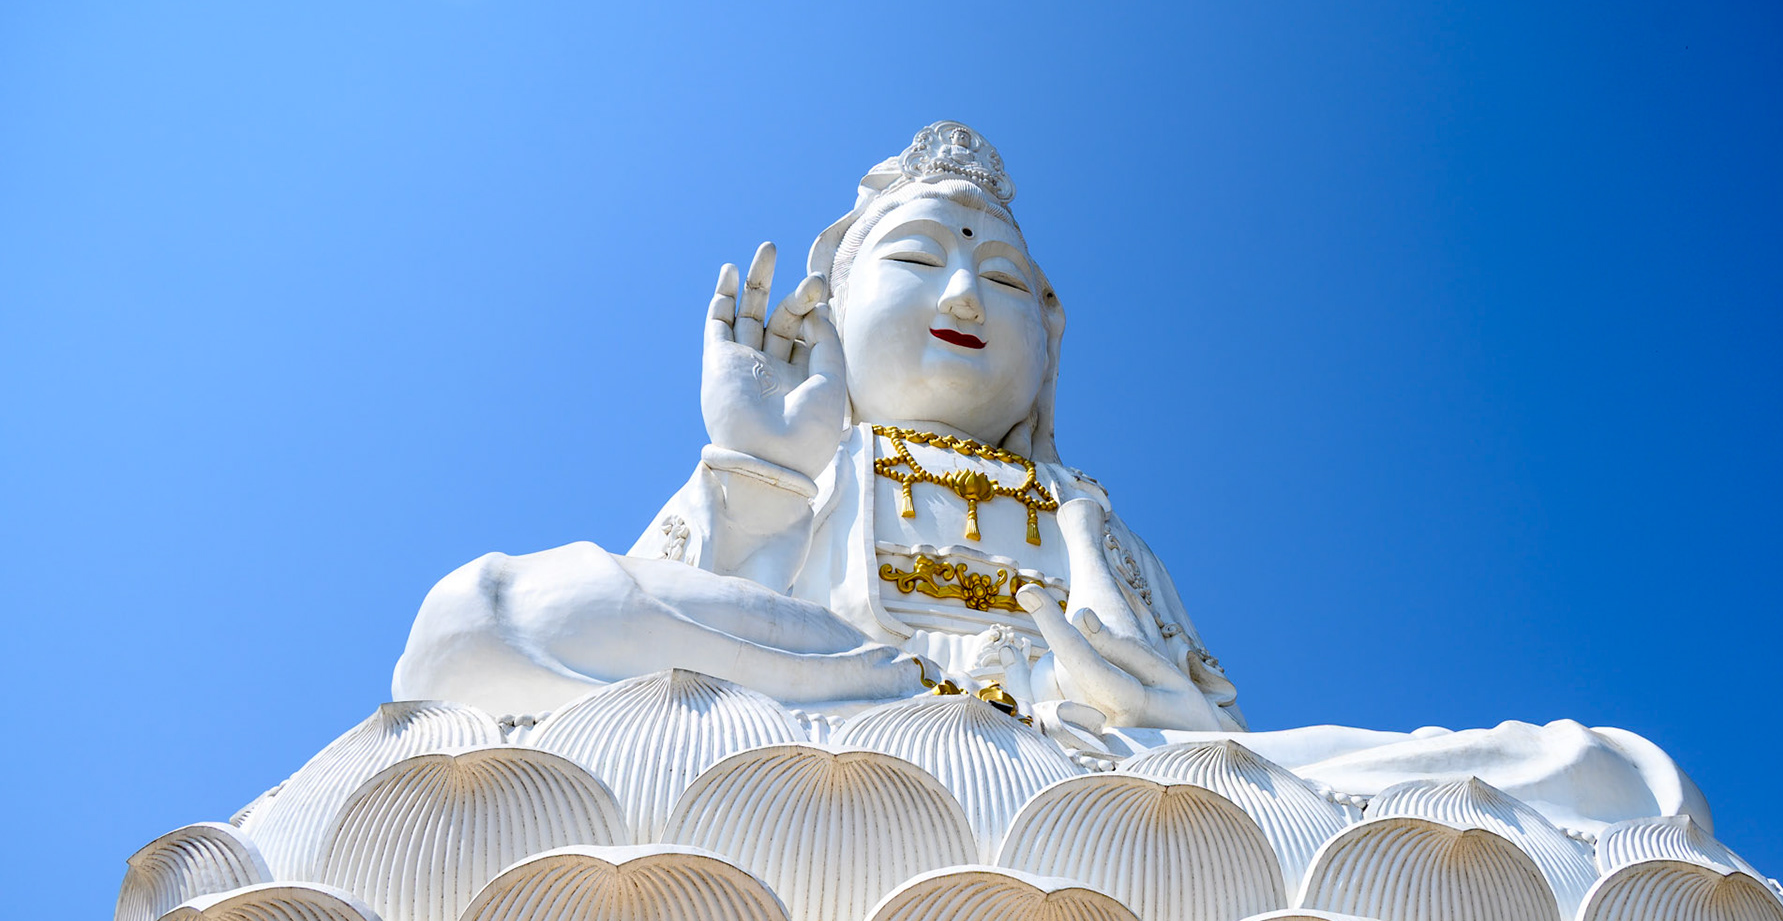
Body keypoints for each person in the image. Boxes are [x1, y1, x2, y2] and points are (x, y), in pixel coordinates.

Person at [395, 122, 1243, 733]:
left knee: (1331, 774)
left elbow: (1213, 725)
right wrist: (760, 475)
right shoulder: (824, 457)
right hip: (849, 704)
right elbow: (659, 626)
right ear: (833, 312)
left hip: (1084, 745)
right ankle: (924, 717)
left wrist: (1167, 710)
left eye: (1004, 280)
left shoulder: (1086, 510)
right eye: (917, 258)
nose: (962, 297)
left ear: (1048, 343)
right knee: (475, 621)